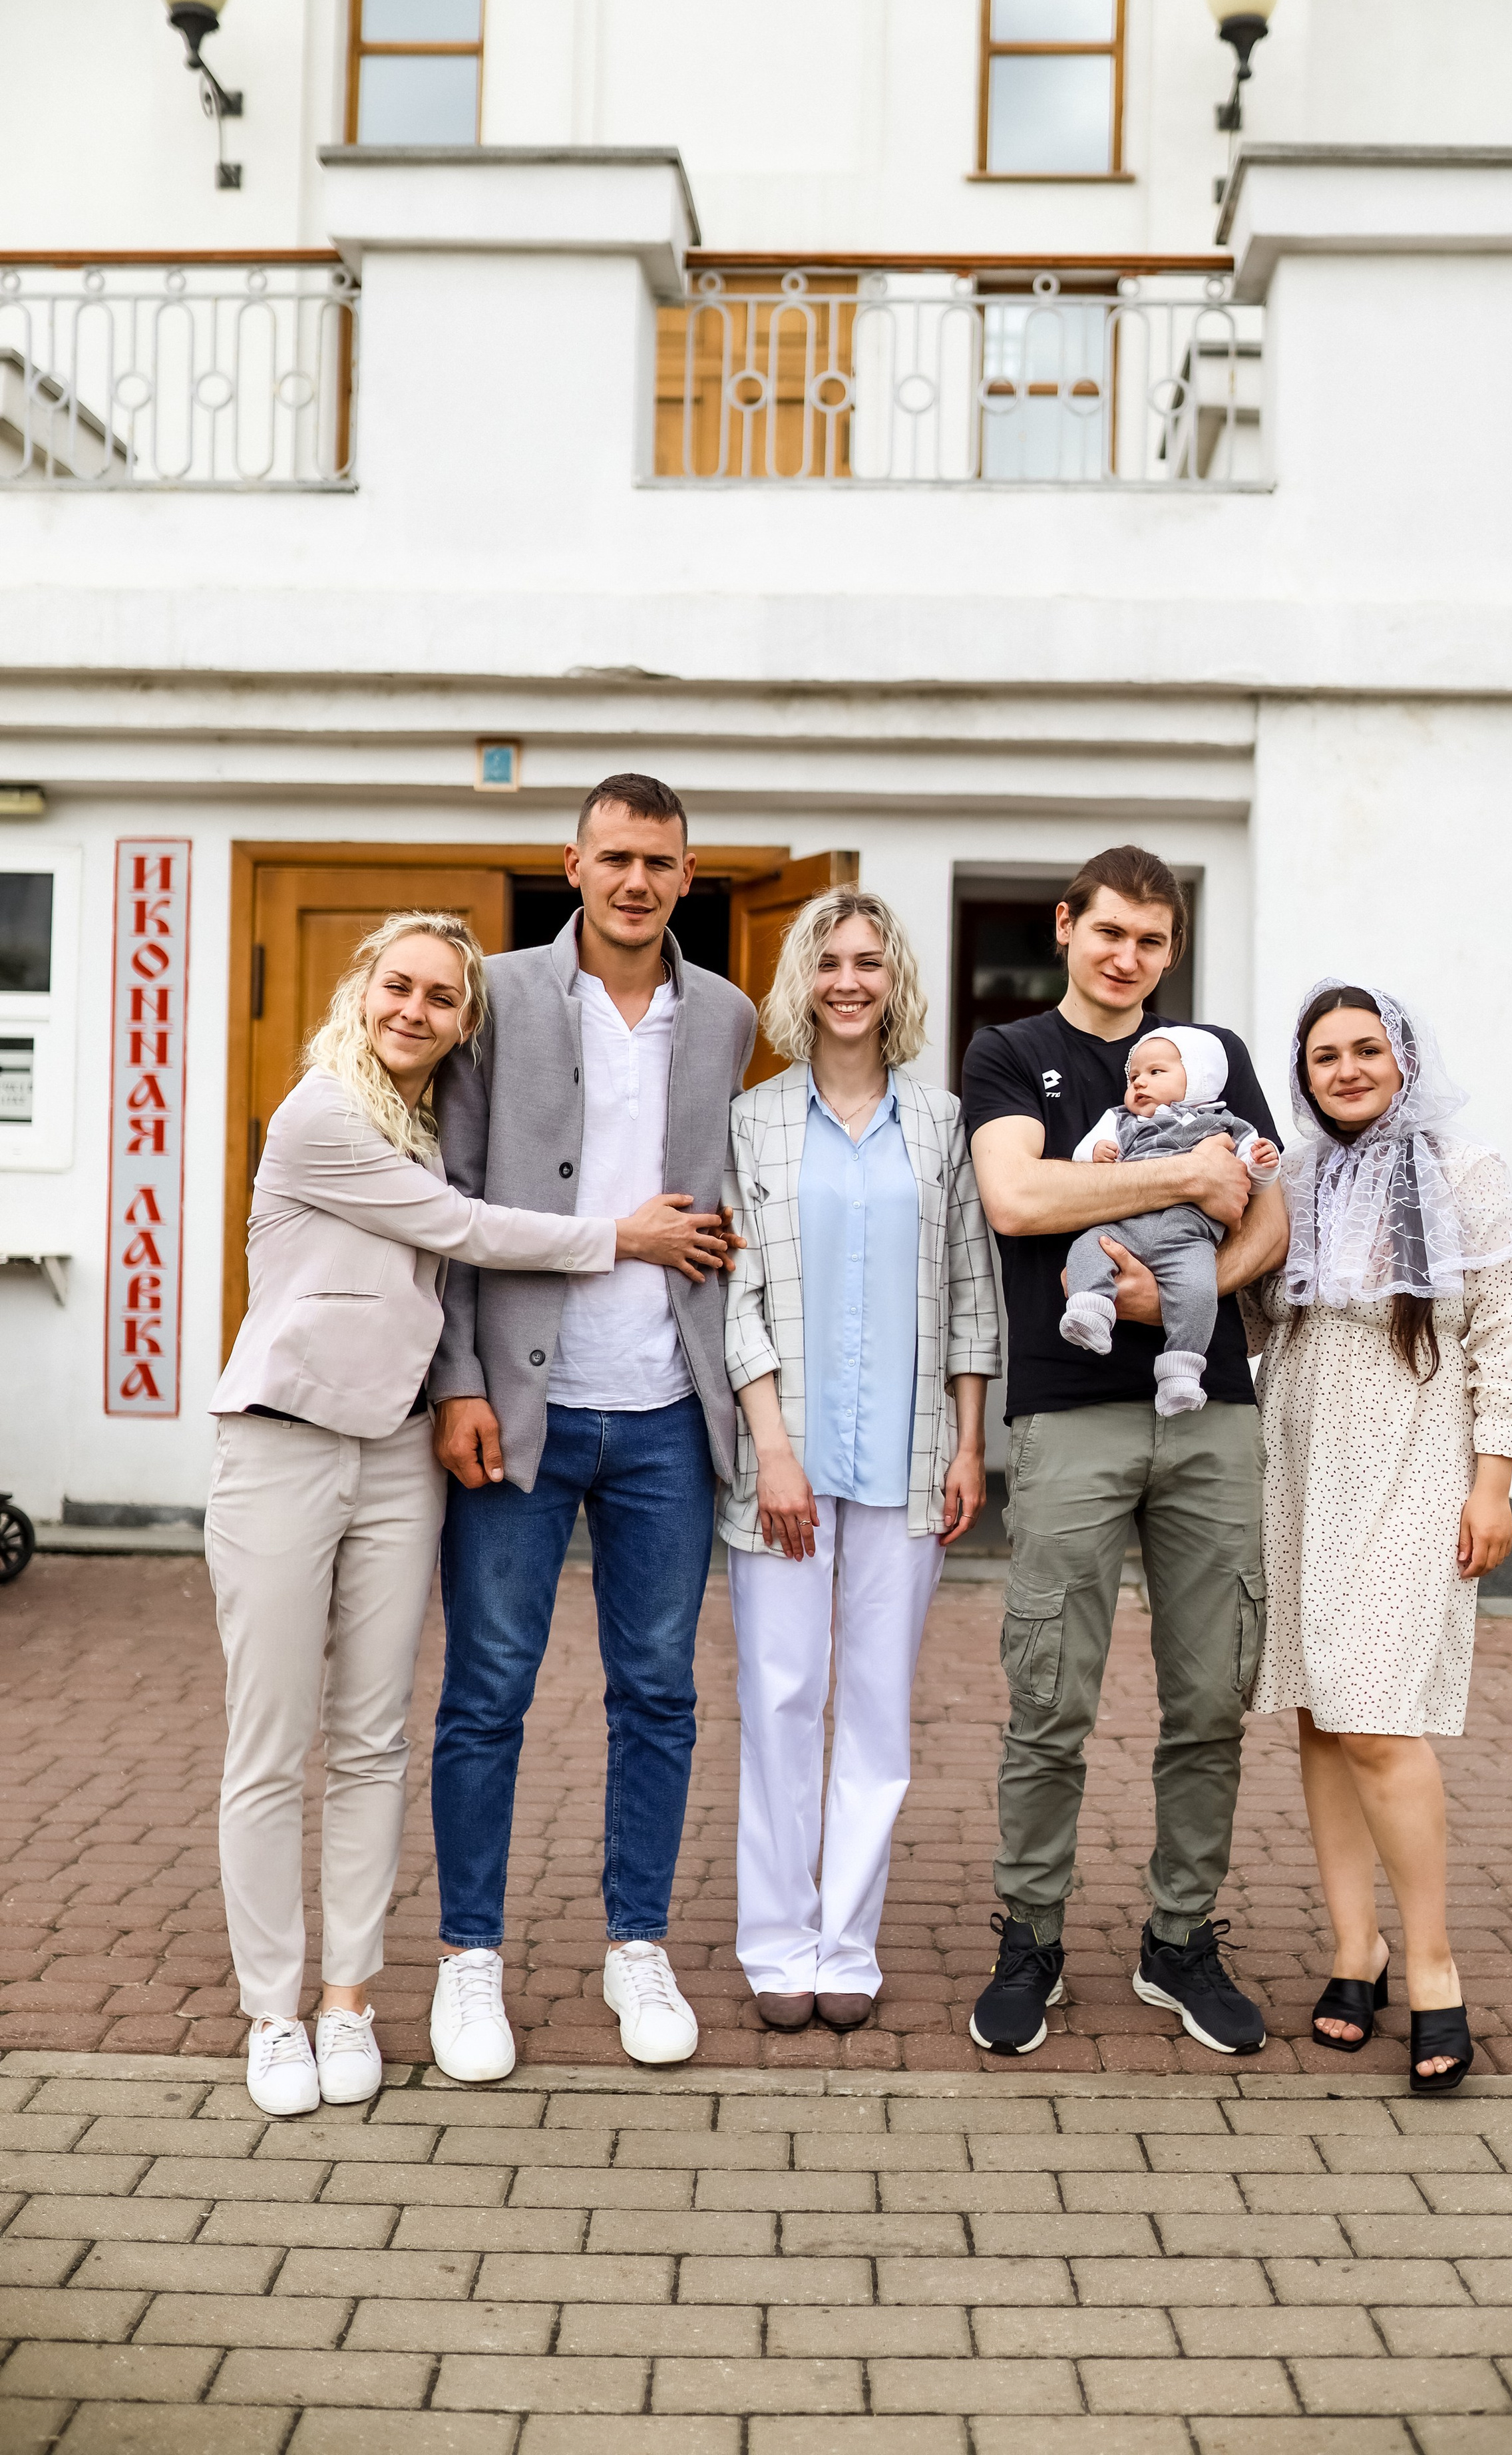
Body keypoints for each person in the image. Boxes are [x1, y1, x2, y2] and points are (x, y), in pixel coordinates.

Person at [208, 911, 721, 2117]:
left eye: (444, 999)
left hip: (397, 1455)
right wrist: (625, 1236)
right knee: (271, 1747)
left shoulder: (431, 1124)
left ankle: (348, 2001)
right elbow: (465, 1230)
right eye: (400, 986)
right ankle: (273, 2012)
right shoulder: (324, 1114)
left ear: (464, 1026)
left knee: (373, 1740)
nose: (415, 1011)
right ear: (363, 988)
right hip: (284, 1443)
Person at [427, 774, 756, 2074]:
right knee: (487, 1690)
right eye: (614, 857)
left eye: (658, 862)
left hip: (668, 1411)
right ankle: (469, 1960)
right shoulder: (500, 995)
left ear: (687, 876)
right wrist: (457, 1378)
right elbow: (451, 1199)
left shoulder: (725, 1015)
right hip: (524, 1406)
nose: (635, 881)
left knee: (659, 1692)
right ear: (572, 864)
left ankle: (637, 1944)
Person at [961, 845, 1289, 2056]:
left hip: (1212, 1408)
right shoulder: (1008, 1053)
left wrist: (1183, 1297)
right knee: (1052, 1694)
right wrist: (1182, 1175)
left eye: (1152, 941)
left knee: (1212, 1697)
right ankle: (1032, 1940)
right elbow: (1018, 1201)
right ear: (1066, 926)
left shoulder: (1215, 1056)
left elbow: (1269, 1215)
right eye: (1109, 932)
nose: (1128, 957)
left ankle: (1179, 1941)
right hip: (1070, 1412)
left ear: (1172, 950)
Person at [1245, 981, 1512, 2093]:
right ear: (1305, 1074)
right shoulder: (1294, 1175)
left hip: (1416, 1459)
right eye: (1325, 1056)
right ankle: (1351, 1949)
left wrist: (1493, 1485)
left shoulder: (1468, 1174)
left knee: (1375, 1716)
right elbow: (1258, 1320)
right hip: (1300, 1455)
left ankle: (1431, 1964)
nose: (1348, 1070)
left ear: (1405, 1059)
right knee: (1322, 1714)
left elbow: (1504, 1338)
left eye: (1367, 1049)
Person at [721, 890, 1002, 2030]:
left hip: (910, 1459)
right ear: (805, 980)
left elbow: (972, 1291)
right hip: (781, 1467)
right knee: (782, 1701)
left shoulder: (941, 1125)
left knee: (878, 1711)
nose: (849, 981)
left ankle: (846, 1945)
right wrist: (772, 1450)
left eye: (870, 962)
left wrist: (971, 1444)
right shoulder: (752, 1123)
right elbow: (735, 1294)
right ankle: (776, 1944)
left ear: (896, 983)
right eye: (830, 962)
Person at [1060, 1025, 1281, 1398]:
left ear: (1198, 1078)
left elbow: (1253, 1181)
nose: (1139, 1082)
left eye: (1155, 1072)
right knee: (1087, 1247)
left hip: (1189, 1237)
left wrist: (1262, 1163)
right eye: (1133, 1077)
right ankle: (1091, 1309)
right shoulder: (1120, 1119)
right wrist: (1095, 1153)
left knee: (1199, 1291)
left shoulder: (1229, 1125)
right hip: (1125, 1226)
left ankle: (1182, 1369)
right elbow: (1083, 1160)